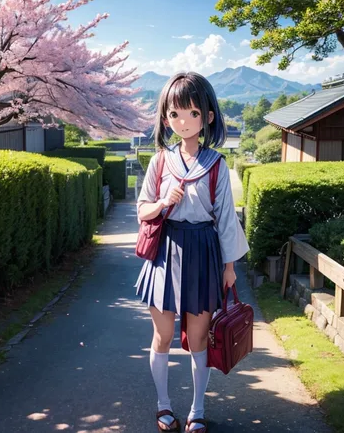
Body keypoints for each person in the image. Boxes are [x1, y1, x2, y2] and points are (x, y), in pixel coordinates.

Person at [135, 71, 249, 433]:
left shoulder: (216, 164)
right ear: (166, 118)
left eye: (192, 113)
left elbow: (226, 220)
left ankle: (197, 410)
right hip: (164, 254)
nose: (183, 122)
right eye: (175, 114)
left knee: (199, 339)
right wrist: (162, 203)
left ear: (208, 117)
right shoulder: (159, 162)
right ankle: (163, 405)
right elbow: (141, 211)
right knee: (163, 337)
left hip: (203, 253)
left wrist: (230, 267)